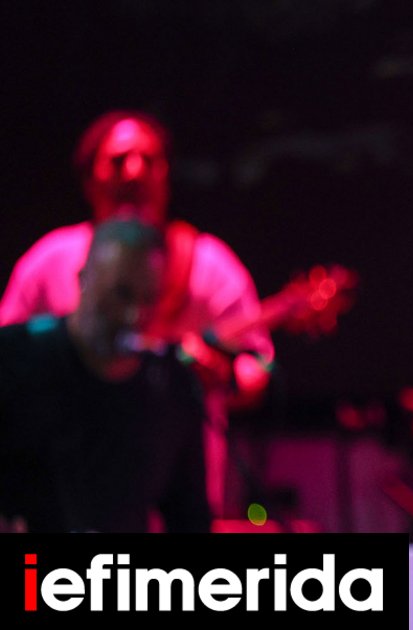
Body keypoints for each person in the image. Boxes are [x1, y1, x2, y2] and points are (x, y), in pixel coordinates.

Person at [0, 110, 273, 516]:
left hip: (172, 500)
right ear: (89, 178)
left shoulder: (209, 263)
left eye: (149, 160)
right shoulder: (49, 261)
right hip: (62, 495)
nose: (134, 172)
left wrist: (224, 375)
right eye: (118, 161)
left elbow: (259, 365)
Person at [0, 219, 210, 533]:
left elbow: (190, 517)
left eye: (149, 299)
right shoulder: (13, 359)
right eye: (121, 294)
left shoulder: (172, 388)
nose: (134, 315)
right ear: (83, 279)